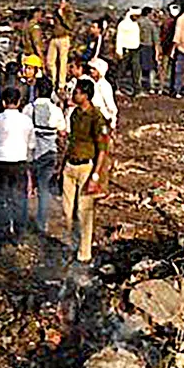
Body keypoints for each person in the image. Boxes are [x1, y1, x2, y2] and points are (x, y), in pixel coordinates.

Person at [0, 85, 34, 249]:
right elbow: (32, 145)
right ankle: (19, 234)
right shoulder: (26, 121)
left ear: (3, 102)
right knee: (19, 200)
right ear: (19, 102)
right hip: (19, 163)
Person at [63, 78, 108, 264]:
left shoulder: (96, 117)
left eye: (77, 92)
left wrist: (96, 176)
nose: (74, 95)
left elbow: (103, 149)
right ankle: (72, 243)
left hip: (86, 167)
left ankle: (84, 252)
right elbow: (71, 141)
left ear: (86, 95)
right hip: (70, 166)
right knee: (67, 211)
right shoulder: (74, 115)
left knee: (84, 211)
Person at [27, 75, 67, 234]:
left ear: (36, 91)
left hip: (32, 153)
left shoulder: (29, 109)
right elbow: (62, 131)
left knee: (27, 187)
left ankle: (21, 220)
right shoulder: (56, 110)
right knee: (44, 188)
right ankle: (42, 222)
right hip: (49, 153)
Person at [45, 0, 77, 86]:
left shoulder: (69, 12)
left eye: (63, 2)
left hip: (63, 38)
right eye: (60, 2)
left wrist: (62, 16)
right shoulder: (55, 11)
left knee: (62, 61)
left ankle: (61, 83)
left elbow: (70, 25)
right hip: (54, 37)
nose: (61, 4)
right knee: (50, 61)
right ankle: (53, 80)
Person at [114, 8, 142, 95]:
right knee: (121, 69)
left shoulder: (136, 24)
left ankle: (137, 90)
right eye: (136, 16)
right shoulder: (123, 24)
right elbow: (119, 37)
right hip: (126, 49)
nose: (137, 17)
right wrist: (119, 51)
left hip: (135, 49)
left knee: (136, 70)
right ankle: (116, 87)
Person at [137, 6, 160, 93]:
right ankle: (151, 86)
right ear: (149, 13)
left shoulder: (137, 22)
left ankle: (138, 84)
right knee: (151, 67)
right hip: (149, 47)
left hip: (138, 46)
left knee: (139, 66)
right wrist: (157, 52)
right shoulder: (151, 24)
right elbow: (156, 39)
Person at [159, 4, 179, 95]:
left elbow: (162, 35)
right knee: (175, 69)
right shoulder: (179, 22)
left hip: (166, 47)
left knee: (164, 68)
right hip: (176, 48)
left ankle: (161, 87)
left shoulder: (166, 22)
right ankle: (172, 88)